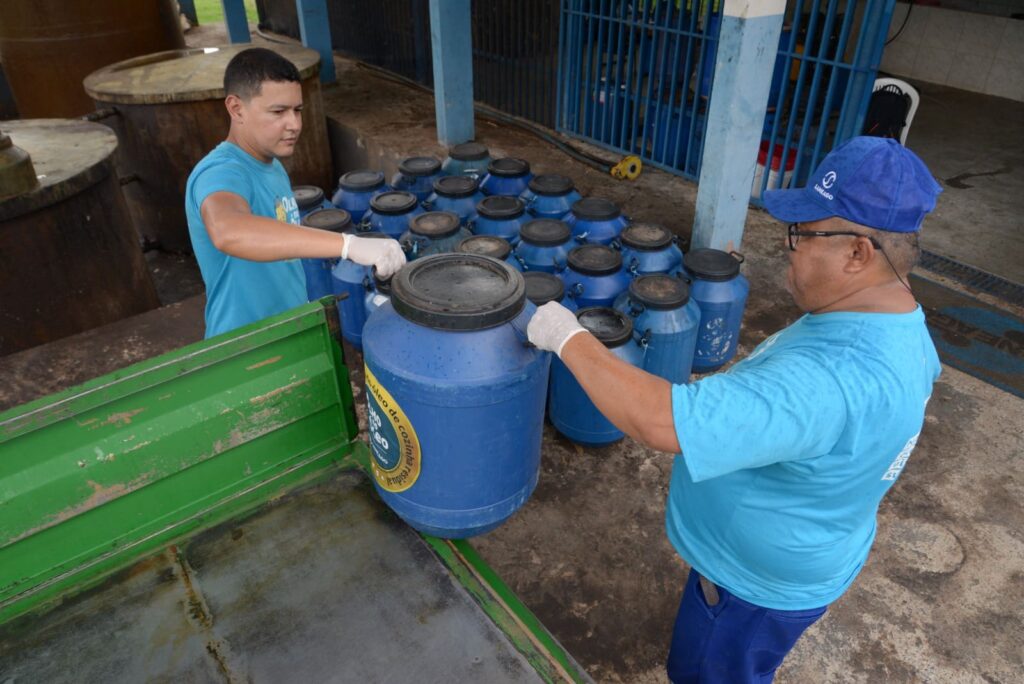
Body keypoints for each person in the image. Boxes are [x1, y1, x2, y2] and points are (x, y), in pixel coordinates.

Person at [527, 136, 943, 683]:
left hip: (751, 588)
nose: (788, 247)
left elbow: (660, 419)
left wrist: (567, 335)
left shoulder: (828, 381)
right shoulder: (898, 322)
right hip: (812, 544)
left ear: (858, 253)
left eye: (802, 233)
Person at [185, 47, 404, 338]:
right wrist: (347, 245)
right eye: (278, 112)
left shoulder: (271, 164)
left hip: (287, 331)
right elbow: (229, 231)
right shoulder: (221, 172)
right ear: (236, 108)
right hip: (244, 346)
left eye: (297, 110)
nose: (295, 125)